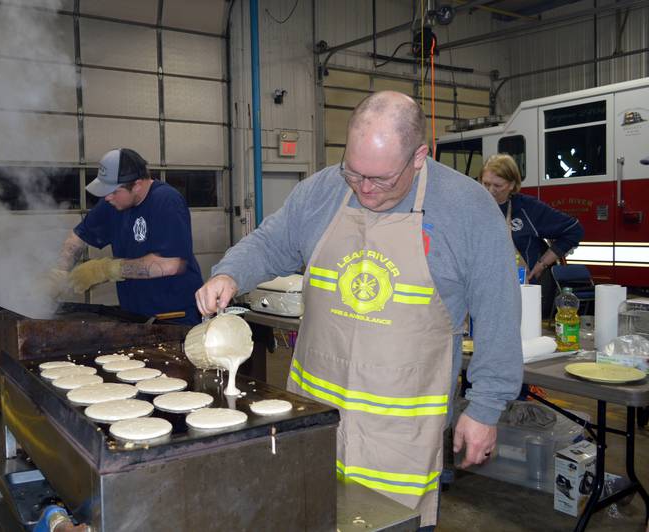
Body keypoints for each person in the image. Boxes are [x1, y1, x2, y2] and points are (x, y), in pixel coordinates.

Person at [195, 92, 523, 529]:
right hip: (314, 413)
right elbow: (272, 241)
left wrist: (485, 407)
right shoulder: (322, 191)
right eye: (354, 172)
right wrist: (230, 274)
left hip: (402, 431)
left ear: (419, 157)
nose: (365, 189)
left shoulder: (467, 209)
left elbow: (499, 311)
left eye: (381, 179)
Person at [50, 148, 203, 325]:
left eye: (113, 191)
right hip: (135, 316)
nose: (107, 197)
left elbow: (170, 264)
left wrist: (106, 270)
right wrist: (59, 271)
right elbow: (79, 237)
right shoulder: (113, 203)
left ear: (137, 185)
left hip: (175, 317)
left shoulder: (166, 201)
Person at [480, 154, 583, 318]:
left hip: (522, 293)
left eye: (497, 185)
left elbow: (574, 230)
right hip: (484, 292)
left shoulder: (528, 208)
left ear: (512, 185)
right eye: (485, 184)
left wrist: (542, 264)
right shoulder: (473, 207)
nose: (490, 191)